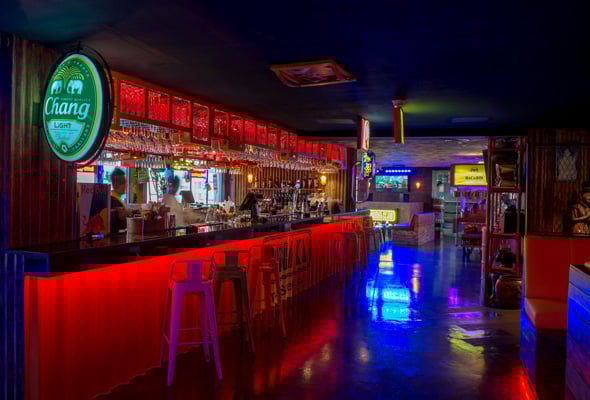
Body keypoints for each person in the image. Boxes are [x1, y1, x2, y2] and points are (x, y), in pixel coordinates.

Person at [110, 167, 128, 233]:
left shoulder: (117, 197)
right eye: (122, 183)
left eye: (125, 182)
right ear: (115, 184)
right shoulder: (113, 199)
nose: (125, 186)